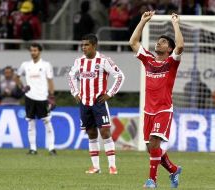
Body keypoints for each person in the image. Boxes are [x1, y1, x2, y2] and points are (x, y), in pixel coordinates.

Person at [129, 12, 184, 188]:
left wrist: (175, 23)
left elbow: (180, 46)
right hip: (148, 110)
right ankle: (174, 169)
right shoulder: (148, 60)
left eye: (163, 42)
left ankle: (152, 180)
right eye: (158, 40)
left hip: (163, 109)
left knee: (154, 142)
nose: (158, 42)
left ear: (169, 49)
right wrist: (143, 20)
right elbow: (133, 42)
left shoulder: (171, 62)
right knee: (151, 148)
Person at [68, 33, 125, 174]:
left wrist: (110, 93)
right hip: (84, 103)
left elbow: (120, 76)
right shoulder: (78, 62)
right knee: (91, 133)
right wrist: (75, 93)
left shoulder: (104, 60)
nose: (83, 47)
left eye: (86, 45)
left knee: (105, 132)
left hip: (98, 102)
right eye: (82, 45)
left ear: (94, 46)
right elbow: (71, 76)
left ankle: (112, 166)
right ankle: (96, 167)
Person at [16, 43, 57, 156]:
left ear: (39, 51)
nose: (33, 52)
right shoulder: (25, 65)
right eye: (31, 50)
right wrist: (22, 87)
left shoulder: (46, 65)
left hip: (43, 97)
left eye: (35, 50)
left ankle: (51, 148)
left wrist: (52, 96)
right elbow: (17, 76)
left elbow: (50, 81)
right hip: (29, 97)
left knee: (47, 122)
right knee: (31, 123)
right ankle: (33, 149)